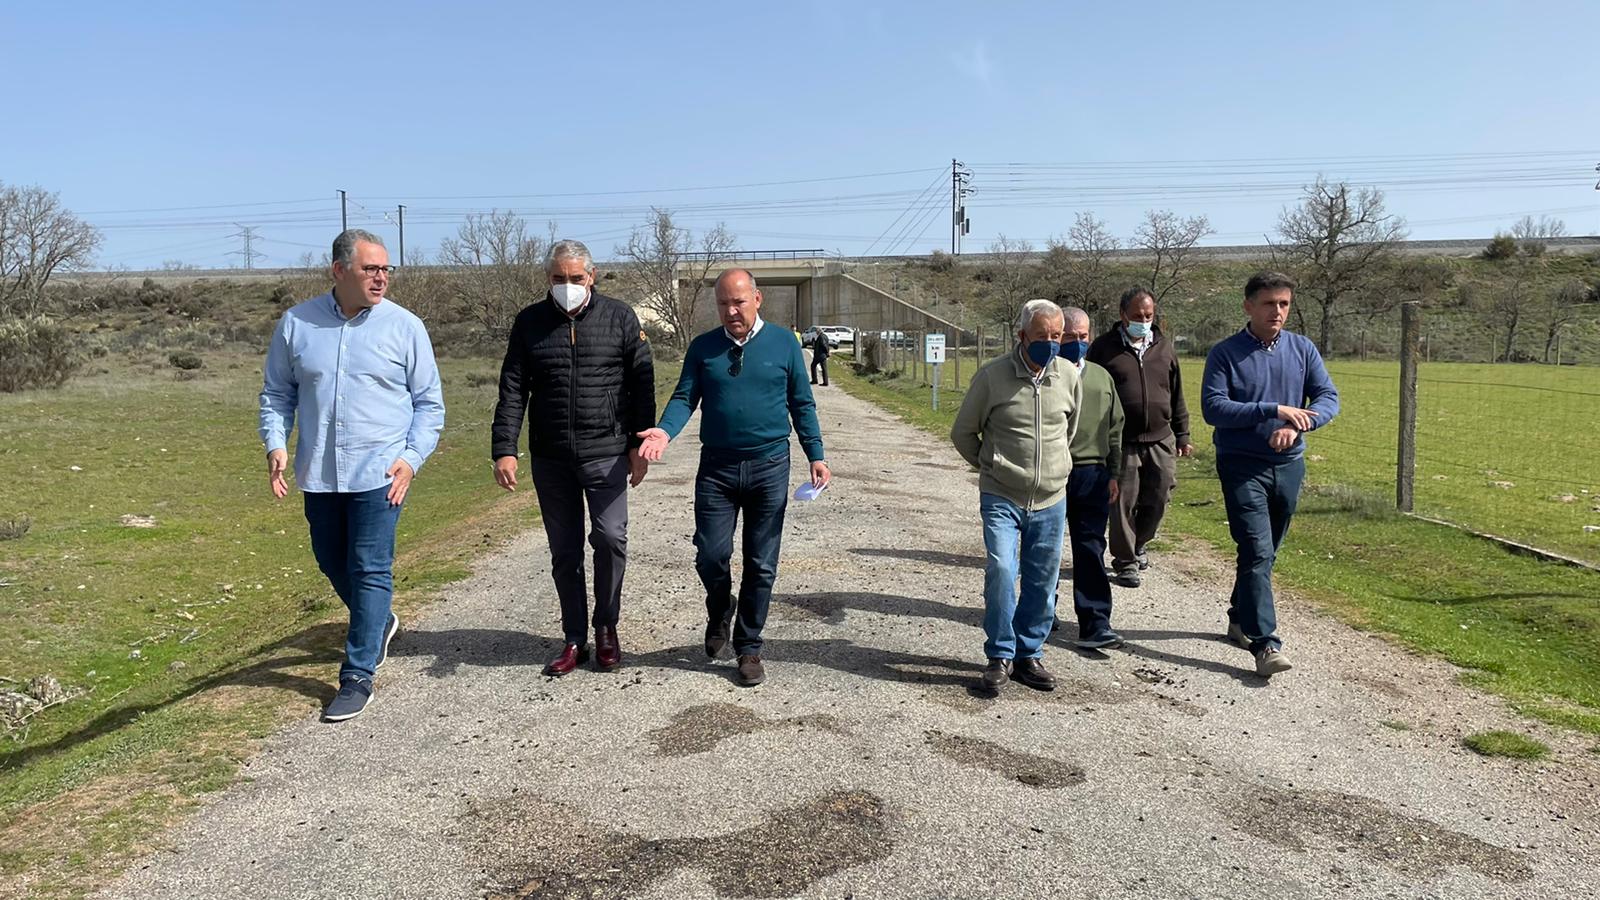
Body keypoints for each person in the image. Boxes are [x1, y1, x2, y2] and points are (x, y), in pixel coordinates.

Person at [259, 229, 444, 722]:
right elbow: (277, 393)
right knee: (329, 559)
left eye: (385, 269)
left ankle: (357, 674)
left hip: (381, 471)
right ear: (339, 270)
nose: (381, 277)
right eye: (370, 269)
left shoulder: (406, 327)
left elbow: (429, 405)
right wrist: (276, 444)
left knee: (369, 566)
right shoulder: (296, 324)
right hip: (318, 471)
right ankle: (378, 620)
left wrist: (411, 458)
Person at [636, 269, 830, 687]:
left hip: (769, 465)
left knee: (761, 563)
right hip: (718, 469)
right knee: (710, 553)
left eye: (738, 302)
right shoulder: (704, 347)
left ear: (757, 299)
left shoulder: (783, 344)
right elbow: (686, 396)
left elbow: (802, 402)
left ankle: (749, 647)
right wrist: (664, 431)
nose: (731, 311)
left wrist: (816, 454)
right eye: (723, 303)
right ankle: (721, 607)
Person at [491, 240, 655, 677]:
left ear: (592, 276)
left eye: (575, 278)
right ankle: (574, 637)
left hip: (606, 453)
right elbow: (512, 388)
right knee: (564, 552)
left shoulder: (620, 317)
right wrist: (505, 448)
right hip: (551, 457)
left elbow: (642, 383)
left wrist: (639, 445)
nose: (567, 286)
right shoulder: (529, 323)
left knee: (610, 539)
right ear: (548, 279)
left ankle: (606, 628)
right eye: (558, 279)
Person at [1201, 271, 1339, 677]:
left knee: (1265, 551)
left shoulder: (1302, 349)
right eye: (1268, 303)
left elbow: (1328, 397)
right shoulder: (1225, 353)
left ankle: (1239, 617)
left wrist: (1300, 424)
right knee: (1257, 548)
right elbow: (1214, 408)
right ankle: (1265, 644)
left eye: (1283, 304)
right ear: (1248, 306)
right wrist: (1273, 409)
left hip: (1289, 464)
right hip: (1242, 465)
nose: (1277, 311)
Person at [951, 298, 1082, 694]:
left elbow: (1068, 432)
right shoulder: (993, 377)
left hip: (1050, 497)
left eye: (1056, 336)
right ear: (1022, 335)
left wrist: (1055, 470)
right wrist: (992, 466)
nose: (1051, 343)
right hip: (1002, 495)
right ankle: (999, 654)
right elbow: (962, 433)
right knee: (1004, 571)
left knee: (1043, 580)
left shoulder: (1068, 377)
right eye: (1042, 336)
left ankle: (1029, 654)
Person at [1088, 286, 1193, 589]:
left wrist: (1183, 434)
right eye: (1137, 316)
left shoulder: (1164, 347)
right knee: (1121, 502)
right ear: (1122, 315)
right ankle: (1125, 561)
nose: (1144, 320)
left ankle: (1140, 543)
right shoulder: (1104, 348)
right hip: (1121, 440)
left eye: (1148, 315)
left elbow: (1177, 394)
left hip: (1161, 438)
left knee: (1159, 497)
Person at [1059, 307, 1125, 648]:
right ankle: (1041, 610)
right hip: (1051, 474)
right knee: (1045, 549)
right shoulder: (1045, 375)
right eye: (1070, 337)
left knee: (1090, 548)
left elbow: (1115, 429)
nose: (1078, 343)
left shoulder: (1101, 376)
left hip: (1092, 475)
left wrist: (1114, 473)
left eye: (1083, 337)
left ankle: (1095, 623)